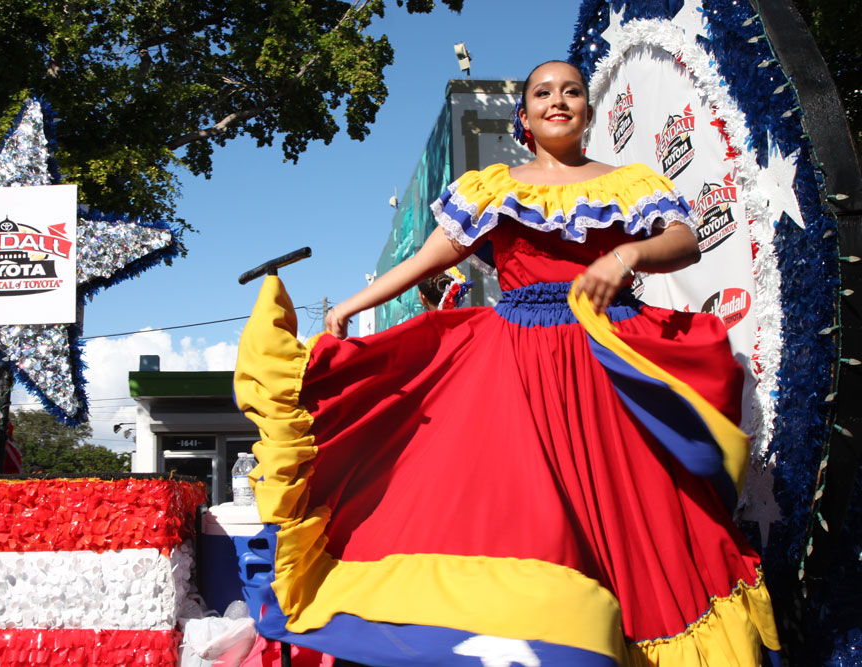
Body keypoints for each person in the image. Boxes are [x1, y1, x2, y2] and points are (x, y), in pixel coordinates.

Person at [235, 61, 780, 666]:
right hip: (520, 370)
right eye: (542, 93)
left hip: (610, 364)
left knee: (644, 518)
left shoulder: (629, 182)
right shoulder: (493, 187)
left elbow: (684, 240)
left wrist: (626, 254)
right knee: (530, 515)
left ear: (588, 112)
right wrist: (351, 306)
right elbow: (425, 259)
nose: (558, 100)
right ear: (523, 117)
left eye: (571, 91)